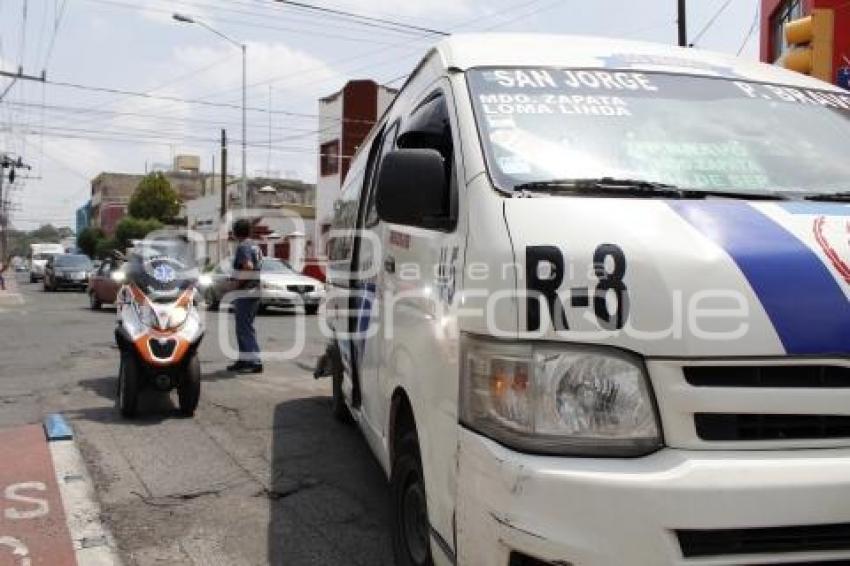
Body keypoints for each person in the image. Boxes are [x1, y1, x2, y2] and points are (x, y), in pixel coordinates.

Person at [227, 219, 263, 373]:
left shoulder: (243, 246)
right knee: (243, 327)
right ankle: (244, 360)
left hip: (246, 291)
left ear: (236, 232)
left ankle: (254, 361)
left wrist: (237, 284)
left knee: (244, 328)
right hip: (255, 290)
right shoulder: (255, 246)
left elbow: (248, 267)